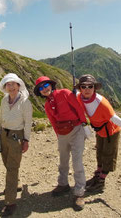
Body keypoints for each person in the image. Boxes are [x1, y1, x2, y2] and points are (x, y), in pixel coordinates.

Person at [33, 76, 89, 211]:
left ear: (51, 85)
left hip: (76, 129)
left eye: (46, 85)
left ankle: (79, 193)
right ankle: (63, 184)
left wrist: (84, 124)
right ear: (39, 92)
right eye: (41, 88)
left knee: (77, 162)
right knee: (63, 161)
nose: (44, 89)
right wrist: (58, 136)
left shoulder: (64, 93)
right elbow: (52, 121)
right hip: (62, 133)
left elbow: (78, 107)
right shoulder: (47, 105)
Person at [75, 74, 121, 192]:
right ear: (80, 88)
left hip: (111, 132)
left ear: (94, 88)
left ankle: (101, 181)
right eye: (83, 87)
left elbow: (114, 118)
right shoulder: (79, 97)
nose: (87, 89)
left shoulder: (101, 103)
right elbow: (73, 96)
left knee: (108, 154)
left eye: (90, 86)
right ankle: (97, 175)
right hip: (99, 130)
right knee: (99, 152)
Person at [0, 73, 33, 216]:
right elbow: (0, 117)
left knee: (12, 167)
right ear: (5, 87)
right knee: (7, 163)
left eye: (13, 84)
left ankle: (10, 201)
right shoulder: (4, 100)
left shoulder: (25, 102)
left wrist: (26, 140)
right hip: (3, 135)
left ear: (19, 86)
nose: (11, 86)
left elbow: (28, 123)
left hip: (16, 136)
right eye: (8, 84)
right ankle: (13, 185)